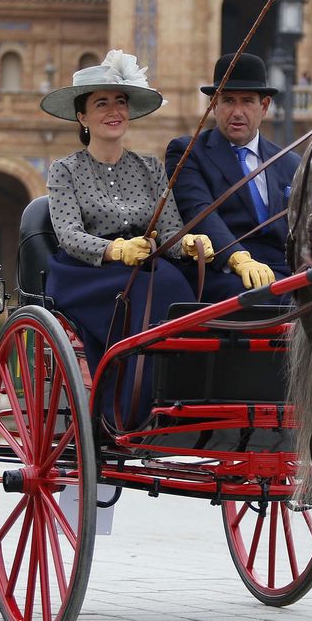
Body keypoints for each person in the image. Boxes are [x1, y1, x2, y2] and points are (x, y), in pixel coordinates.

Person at [41, 49, 215, 426]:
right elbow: (69, 235)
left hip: (144, 264)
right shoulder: (64, 171)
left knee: (177, 288)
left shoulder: (150, 167)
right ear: (82, 116)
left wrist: (186, 244)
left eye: (120, 101)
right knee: (146, 293)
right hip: (86, 273)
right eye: (101, 103)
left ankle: (181, 401)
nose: (114, 110)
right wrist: (115, 250)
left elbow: (169, 228)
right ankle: (129, 409)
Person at [164, 53, 300, 303]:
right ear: (214, 104)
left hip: (282, 271)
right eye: (228, 101)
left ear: (264, 106)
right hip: (222, 270)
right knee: (261, 299)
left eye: (247, 101)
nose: (237, 112)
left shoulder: (290, 162)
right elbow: (199, 212)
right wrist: (239, 259)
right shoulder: (188, 152)